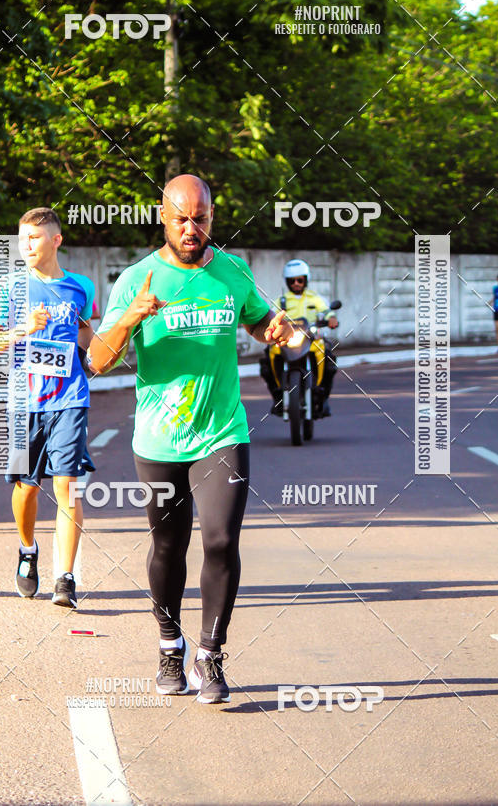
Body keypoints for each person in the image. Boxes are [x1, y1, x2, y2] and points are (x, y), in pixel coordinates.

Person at [89, 174, 292, 704]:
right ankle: (168, 646)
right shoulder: (137, 279)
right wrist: (133, 315)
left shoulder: (230, 270)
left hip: (222, 430)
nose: (191, 228)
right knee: (168, 544)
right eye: (181, 218)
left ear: (212, 217)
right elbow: (97, 360)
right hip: (158, 440)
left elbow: (259, 320)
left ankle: (210, 653)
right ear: (163, 216)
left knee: (221, 540)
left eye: (200, 218)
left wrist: (278, 329)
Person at [0, 208, 95, 608]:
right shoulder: (8, 288)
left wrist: (94, 354)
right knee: (26, 488)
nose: (25, 245)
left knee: (67, 484)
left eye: (34, 237)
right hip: (22, 401)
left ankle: (65, 577)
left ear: (56, 240)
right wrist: (23, 330)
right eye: (21, 238)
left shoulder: (81, 287)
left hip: (70, 399)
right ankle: (27, 549)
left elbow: (86, 331)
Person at [261, 258, 338, 417]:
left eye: (300, 280)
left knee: (330, 359)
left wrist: (331, 318)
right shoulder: (281, 301)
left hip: (311, 339)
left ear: (306, 280)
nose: (296, 283)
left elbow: (326, 310)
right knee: (266, 361)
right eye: (292, 280)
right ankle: (278, 396)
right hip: (287, 340)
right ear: (287, 282)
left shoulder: (314, 297)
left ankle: (323, 397)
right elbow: (270, 315)